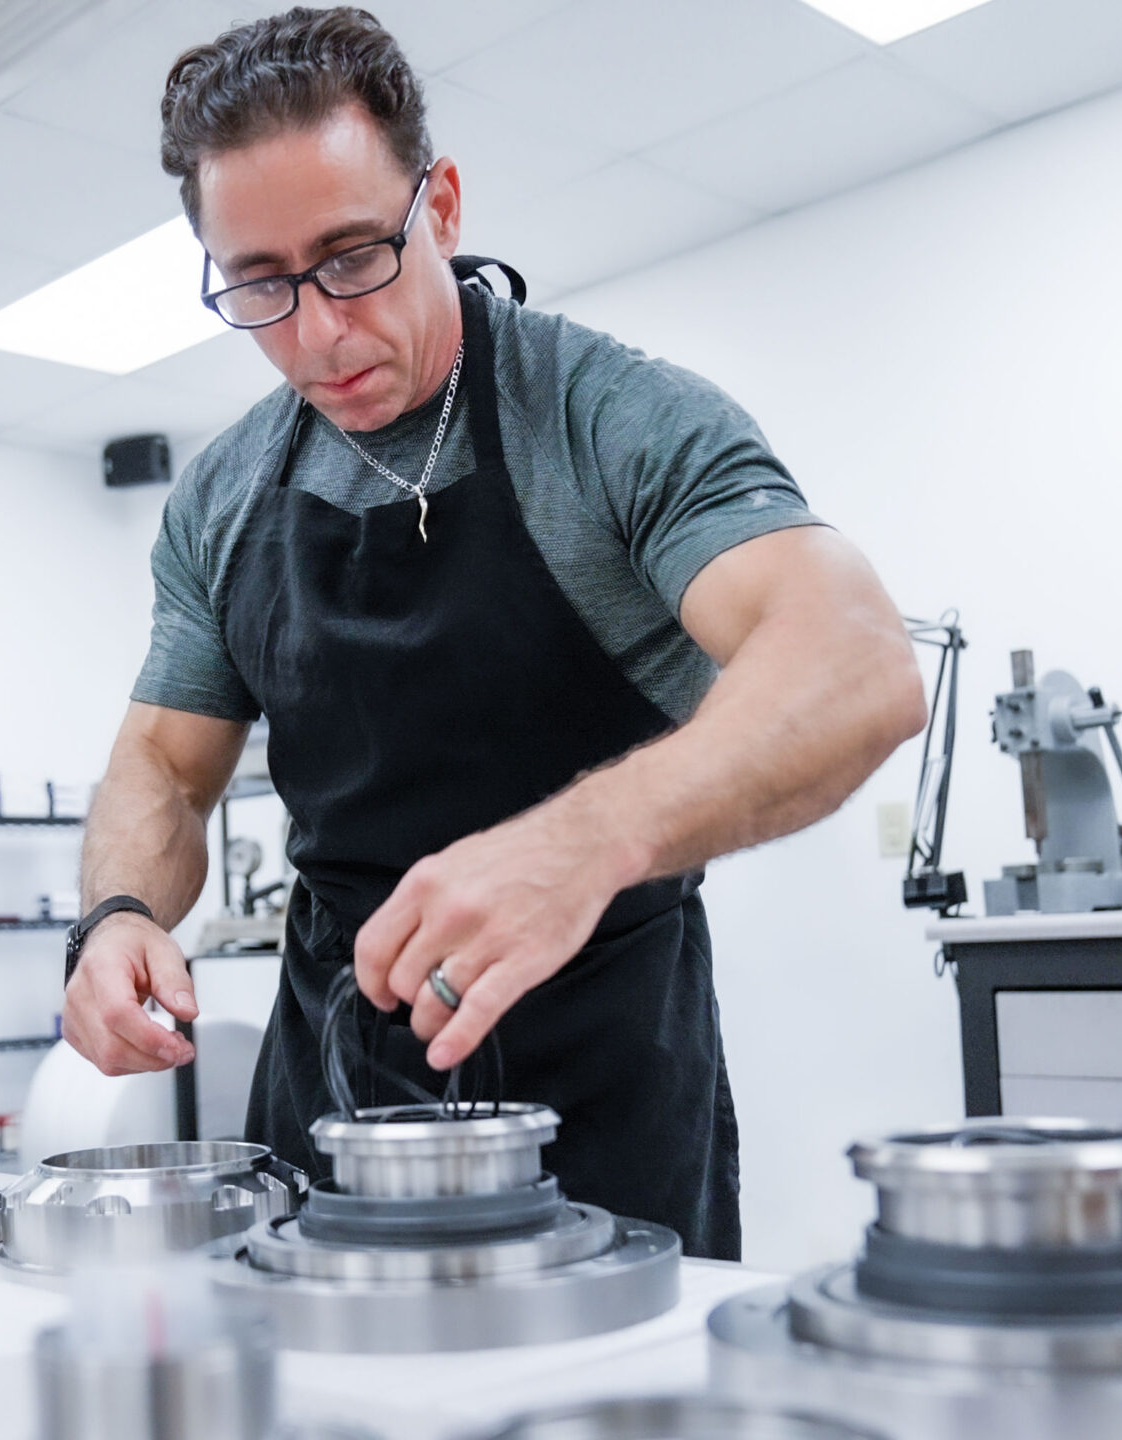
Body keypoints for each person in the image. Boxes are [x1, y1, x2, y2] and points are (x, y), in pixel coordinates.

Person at [57, 6, 922, 1254]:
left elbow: (856, 661)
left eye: (353, 255)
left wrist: (586, 840)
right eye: (259, 285)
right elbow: (162, 762)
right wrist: (120, 914)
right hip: (330, 1093)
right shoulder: (224, 496)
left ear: (442, 208)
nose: (316, 333)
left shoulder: (606, 416)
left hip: (604, 1094)